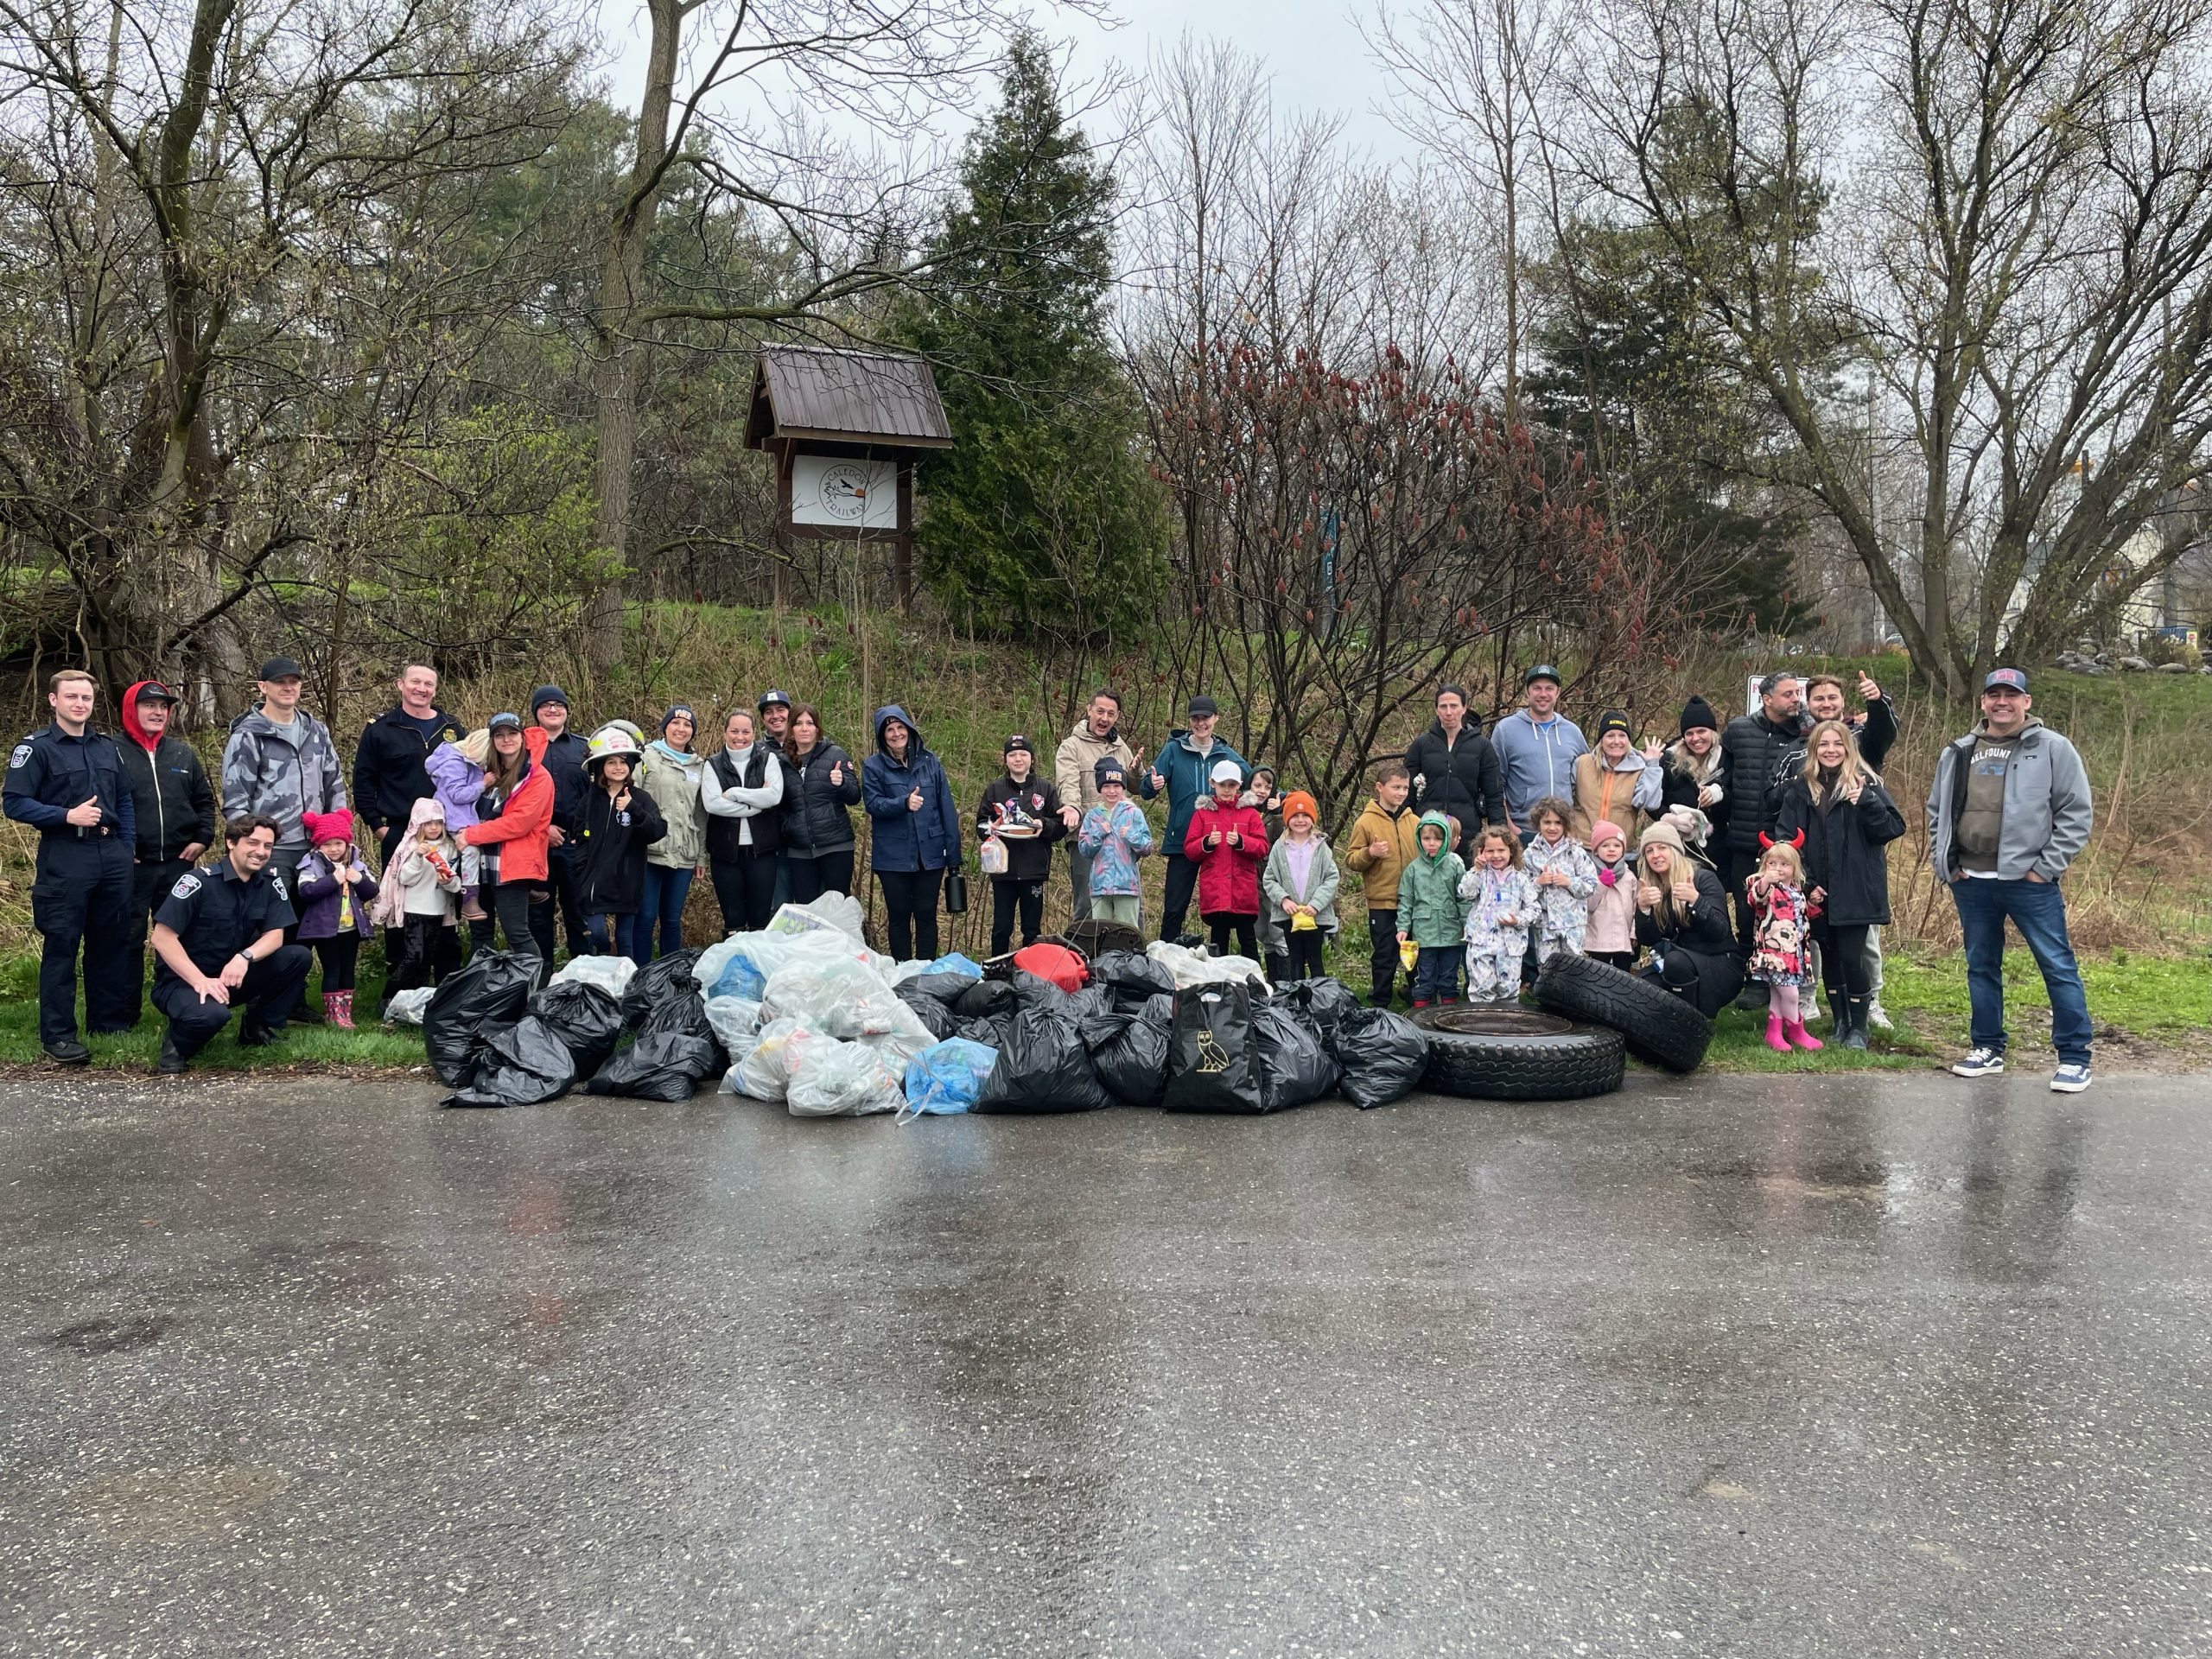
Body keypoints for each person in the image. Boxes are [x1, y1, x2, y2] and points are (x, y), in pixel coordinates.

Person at [1926, 668, 2094, 1092]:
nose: (2003, 702)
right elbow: (1936, 812)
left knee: (2056, 966)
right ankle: (1987, 1048)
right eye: (1994, 694)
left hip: (2029, 882)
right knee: (1981, 966)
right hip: (1971, 880)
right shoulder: (1959, 751)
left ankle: (2075, 1057)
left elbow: (2076, 814)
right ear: (1982, 702)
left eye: (2011, 695)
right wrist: (1947, 864)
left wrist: (2045, 868)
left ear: (2027, 702)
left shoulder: (2053, 748)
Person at [3, 670, 137, 1063]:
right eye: (72, 697)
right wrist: (65, 815)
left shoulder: (107, 747)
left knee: (110, 942)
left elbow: (125, 800)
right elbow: (13, 801)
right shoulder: (37, 748)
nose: (80, 704)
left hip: (112, 855)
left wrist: (126, 847)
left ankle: (108, 1023)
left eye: (87, 698)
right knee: (62, 945)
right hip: (66, 855)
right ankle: (59, 1036)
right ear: (53, 700)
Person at [148, 814, 314, 1074]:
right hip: (183, 982)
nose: (261, 852)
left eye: (267, 846)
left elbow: (275, 936)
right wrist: (199, 981)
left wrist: (244, 957)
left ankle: (255, 1028)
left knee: (297, 956)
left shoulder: (271, 883)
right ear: (231, 843)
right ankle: (176, 1044)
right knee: (213, 1016)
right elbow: (162, 937)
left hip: (231, 977)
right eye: (253, 843)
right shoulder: (199, 882)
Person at [1777, 720, 1907, 1050]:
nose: (1831, 750)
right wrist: (1808, 885)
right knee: (1831, 958)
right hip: (1818, 891)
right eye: (1823, 745)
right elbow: (1786, 841)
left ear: (1848, 749)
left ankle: (1859, 1028)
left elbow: (1891, 828)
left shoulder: (1868, 784)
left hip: (1855, 889)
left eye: (1837, 744)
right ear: (1814, 750)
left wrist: (1865, 801)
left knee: (1852, 957)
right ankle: (1840, 1022)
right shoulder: (1800, 789)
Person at [1797, 670, 1900, 1028]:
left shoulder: (1864, 749)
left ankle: (1870, 1004)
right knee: (1823, 947)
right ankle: (1823, 1007)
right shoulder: (1797, 755)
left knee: (1860, 947)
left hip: (1856, 874)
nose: (1826, 704)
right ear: (1807, 704)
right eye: (1818, 699)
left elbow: (1884, 733)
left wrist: (1877, 701)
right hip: (1818, 876)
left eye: (1832, 698)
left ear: (1843, 702)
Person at [116, 679, 215, 1028]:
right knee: (125, 938)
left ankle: (177, 1008)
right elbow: (104, 804)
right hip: (132, 866)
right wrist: (119, 846)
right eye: (149, 706)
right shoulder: (111, 751)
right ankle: (121, 1017)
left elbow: (204, 802)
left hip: (178, 864)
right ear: (132, 709)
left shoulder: (182, 754)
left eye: (163, 707)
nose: (158, 712)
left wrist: (203, 838)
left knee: (176, 938)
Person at [1717, 671, 1808, 1007]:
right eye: (1787, 694)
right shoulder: (1739, 731)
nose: (1795, 699)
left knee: (1783, 914)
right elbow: (1723, 777)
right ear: (1766, 699)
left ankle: (1786, 981)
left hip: (1784, 843)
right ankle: (1752, 980)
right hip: (1743, 839)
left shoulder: (1805, 733)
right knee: (1747, 911)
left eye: (1797, 693)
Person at [220, 657, 348, 893]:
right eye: (280, 682)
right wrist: (249, 846)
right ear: (263, 687)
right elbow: (236, 799)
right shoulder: (249, 735)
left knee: (315, 926)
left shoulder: (317, 731)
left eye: (294, 681)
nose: (288, 687)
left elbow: (334, 785)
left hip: (317, 848)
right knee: (272, 923)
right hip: (272, 850)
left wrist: (338, 833)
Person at [1141, 696, 1247, 941]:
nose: (1201, 723)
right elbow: (1146, 790)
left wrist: (1280, 798)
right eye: (1195, 718)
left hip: (1220, 842)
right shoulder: (1173, 750)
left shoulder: (1226, 754)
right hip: (1183, 842)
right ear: (1189, 720)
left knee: (1222, 910)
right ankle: (1166, 965)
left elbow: (1257, 781)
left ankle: (1219, 965)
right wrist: (1151, 782)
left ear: (1216, 719)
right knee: (1174, 910)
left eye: (1206, 718)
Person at [862, 704, 961, 961]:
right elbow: (872, 804)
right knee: (899, 914)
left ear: (909, 729)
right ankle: (902, 970)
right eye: (890, 730)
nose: (896, 734)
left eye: (900, 727)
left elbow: (946, 809)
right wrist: (902, 803)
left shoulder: (931, 762)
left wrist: (954, 857)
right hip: (892, 856)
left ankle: (926, 970)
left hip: (930, 853)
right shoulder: (873, 766)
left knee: (927, 913)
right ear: (882, 736)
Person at [459, 712, 554, 976]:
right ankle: (483, 992)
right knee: (480, 933)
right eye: (499, 735)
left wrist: (471, 835)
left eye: (512, 734)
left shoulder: (538, 777)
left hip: (512, 866)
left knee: (517, 933)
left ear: (522, 738)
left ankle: (535, 990)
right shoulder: (486, 773)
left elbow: (519, 823)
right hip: (481, 864)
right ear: (492, 740)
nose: (506, 740)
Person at [352, 663, 464, 868]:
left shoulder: (452, 728)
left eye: (428, 684)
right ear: (400, 684)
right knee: (397, 898)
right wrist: (378, 827)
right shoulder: (381, 729)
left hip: (448, 831)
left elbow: (468, 775)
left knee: (449, 895)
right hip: (400, 831)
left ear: (435, 691)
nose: (421, 688)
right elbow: (363, 780)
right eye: (415, 682)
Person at [1632, 819, 1745, 1017]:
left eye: (1662, 848)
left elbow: (1720, 932)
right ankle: (1662, 1023)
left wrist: (1696, 900)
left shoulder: (1703, 878)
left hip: (1721, 965)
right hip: (1679, 966)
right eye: (1649, 851)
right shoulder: (1651, 887)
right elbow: (1649, 941)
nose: (1655, 855)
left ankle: (1690, 1025)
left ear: (1675, 850)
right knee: (1638, 986)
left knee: (1675, 961)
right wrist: (1643, 909)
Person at [571, 726, 666, 960]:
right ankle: (604, 960)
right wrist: (581, 871)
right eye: (611, 762)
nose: (618, 767)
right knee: (597, 933)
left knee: (626, 940)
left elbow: (657, 830)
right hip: (595, 882)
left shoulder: (641, 799)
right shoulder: (589, 801)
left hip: (627, 880)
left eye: (623, 762)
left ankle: (626, 987)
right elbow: (579, 837)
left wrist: (634, 810)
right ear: (600, 766)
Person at [369, 798, 470, 1001]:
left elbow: (457, 885)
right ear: (418, 824)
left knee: (428, 959)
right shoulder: (409, 847)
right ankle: (388, 997)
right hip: (413, 911)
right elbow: (403, 878)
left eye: (438, 822)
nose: (434, 828)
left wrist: (446, 880)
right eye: (428, 823)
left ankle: (418, 999)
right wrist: (417, 858)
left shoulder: (450, 847)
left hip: (439, 911)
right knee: (413, 957)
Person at [976, 735, 1069, 957]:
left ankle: (1030, 973)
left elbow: (1060, 826)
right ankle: (996, 970)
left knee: (1032, 929)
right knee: (1001, 927)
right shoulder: (995, 790)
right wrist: (992, 827)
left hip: (1033, 870)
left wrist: (1042, 825)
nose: (1018, 759)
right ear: (1005, 760)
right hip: (1002, 871)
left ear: (1032, 759)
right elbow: (980, 826)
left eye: (1023, 754)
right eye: (1012, 755)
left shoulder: (1045, 789)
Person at [1053, 690, 1137, 921]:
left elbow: (1135, 786)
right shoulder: (1071, 747)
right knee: (1087, 903)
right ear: (1089, 710)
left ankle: (1127, 956)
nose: (1105, 718)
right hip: (1086, 837)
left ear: (1117, 716)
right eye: (1100, 711)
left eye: (1111, 713)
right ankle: (1086, 956)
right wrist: (1072, 807)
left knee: (1127, 904)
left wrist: (1138, 773)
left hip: (1121, 840)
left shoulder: (1121, 748)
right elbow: (1067, 782)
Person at [702, 709, 787, 934]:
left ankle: (757, 965)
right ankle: (733, 966)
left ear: (754, 733)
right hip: (725, 853)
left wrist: (733, 793)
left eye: (746, 731)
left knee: (760, 918)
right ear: (725, 733)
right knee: (734, 920)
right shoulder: (713, 764)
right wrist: (756, 803)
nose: (740, 737)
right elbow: (712, 804)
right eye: (734, 731)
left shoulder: (768, 758)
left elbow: (774, 796)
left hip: (762, 851)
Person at [1344, 763, 1422, 1007]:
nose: (1401, 793)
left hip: (1413, 903)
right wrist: (1370, 852)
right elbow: (1351, 860)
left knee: (1414, 954)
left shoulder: (1415, 821)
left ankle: (1418, 998)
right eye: (1395, 787)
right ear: (1380, 787)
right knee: (1384, 956)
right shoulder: (1365, 823)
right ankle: (1380, 1004)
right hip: (1382, 903)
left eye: (1405, 788)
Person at [294, 810, 378, 1029]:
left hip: (351, 927)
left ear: (346, 843)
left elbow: (372, 891)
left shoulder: (356, 863)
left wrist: (357, 879)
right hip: (325, 929)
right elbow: (306, 891)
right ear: (318, 845)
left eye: (338, 843)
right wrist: (333, 880)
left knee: (348, 968)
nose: (334, 849)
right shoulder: (311, 864)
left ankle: (345, 1013)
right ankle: (333, 1014)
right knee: (332, 968)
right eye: (327, 844)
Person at [524, 685, 592, 961]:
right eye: (546, 705)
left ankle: (582, 978)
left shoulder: (585, 747)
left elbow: (597, 795)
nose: (553, 709)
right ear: (536, 712)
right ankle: (541, 979)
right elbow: (511, 797)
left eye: (559, 705)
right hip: (532, 845)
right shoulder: (522, 747)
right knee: (537, 917)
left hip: (574, 846)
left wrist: (585, 834)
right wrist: (542, 828)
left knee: (578, 914)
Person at [636, 706, 708, 960]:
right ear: (665, 727)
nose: (681, 729)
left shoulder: (699, 767)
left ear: (693, 732)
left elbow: (700, 814)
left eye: (687, 725)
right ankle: (641, 975)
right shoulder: (645, 757)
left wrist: (701, 856)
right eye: (675, 723)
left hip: (684, 853)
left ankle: (668, 976)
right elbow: (631, 799)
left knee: (672, 919)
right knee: (645, 917)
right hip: (649, 851)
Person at [1405, 683, 1505, 855]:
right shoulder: (1422, 745)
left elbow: (1494, 795)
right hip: (1427, 831)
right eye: (1443, 706)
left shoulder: (1482, 746)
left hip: (1466, 832)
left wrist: (1499, 834)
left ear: (1464, 708)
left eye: (1454, 706)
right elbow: (1406, 792)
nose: (1448, 712)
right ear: (1436, 710)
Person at [1490, 665, 1588, 837]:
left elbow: (1587, 780)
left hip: (1563, 832)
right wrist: (1510, 828)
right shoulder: (1506, 730)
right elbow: (1495, 785)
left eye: (1549, 688)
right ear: (1527, 692)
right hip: (1523, 830)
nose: (1543, 694)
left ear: (1558, 693)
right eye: (1537, 688)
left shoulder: (1572, 732)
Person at [1185, 759, 1268, 959]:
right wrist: (1206, 843)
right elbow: (1189, 849)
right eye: (1222, 784)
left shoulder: (1250, 814)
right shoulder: (1202, 814)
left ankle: (1254, 985)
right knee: (1217, 944)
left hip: (1243, 891)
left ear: (1239, 786)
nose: (1226, 789)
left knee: (1248, 942)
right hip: (1216, 892)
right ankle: (1219, 986)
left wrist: (1242, 842)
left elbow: (1263, 846)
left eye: (1231, 785)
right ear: (1212, 783)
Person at [1744, 838, 1820, 1052]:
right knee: (1791, 994)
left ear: (1795, 867)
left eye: (1784, 864)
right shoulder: (1766, 888)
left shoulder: (1795, 889)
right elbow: (1755, 899)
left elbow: (1798, 917)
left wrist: (1812, 904)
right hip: (1775, 955)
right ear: (1765, 865)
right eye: (1772, 864)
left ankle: (1774, 1032)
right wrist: (1766, 880)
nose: (1778, 869)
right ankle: (1797, 1031)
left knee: (1778, 996)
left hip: (1794, 955)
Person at [781, 704, 861, 903]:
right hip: (799, 850)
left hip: (836, 846)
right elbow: (778, 805)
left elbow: (855, 797)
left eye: (810, 723)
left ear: (817, 728)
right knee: (806, 911)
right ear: (791, 729)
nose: (804, 728)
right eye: (799, 723)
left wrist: (841, 783)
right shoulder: (781, 762)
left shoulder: (835, 755)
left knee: (836, 909)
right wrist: (788, 827)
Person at [1260, 791, 1339, 982]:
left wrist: (1317, 904)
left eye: (1305, 815)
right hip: (1290, 915)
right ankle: (1298, 1001)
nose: (1300, 820)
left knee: (1315, 959)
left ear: (1312, 818)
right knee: (1295, 959)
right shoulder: (1279, 848)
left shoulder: (1320, 846)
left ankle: (1320, 999)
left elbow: (1332, 877)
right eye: (1295, 815)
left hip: (1315, 915)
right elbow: (1269, 879)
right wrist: (1283, 900)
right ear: (1287, 819)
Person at [1395, 810, 1469, 1008]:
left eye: (1437, 839)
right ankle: (1421, 1018)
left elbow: (1463, 898)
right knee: (1424, 977)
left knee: (1449, 977)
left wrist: (1466, 924)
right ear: (1419, 839)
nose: (1432, 843)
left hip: (1450, 933)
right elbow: (1406, 901)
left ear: (1446, 839)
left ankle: (1447, 1015)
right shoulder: (1413, 869)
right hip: (1424, 934)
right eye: (1426, 838)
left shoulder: (1454, 866)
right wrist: (1402, 927)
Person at [425, 729, 493, 939]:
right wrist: (483, 784)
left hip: (465, 815)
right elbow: (457, 794)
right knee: (471, 850)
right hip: (456, 817)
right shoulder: (454, 763)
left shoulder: (460, 759)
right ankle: (469, 898)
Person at [1459, 826, 1539, 1004]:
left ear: (1511, 851)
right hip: (1481, 943)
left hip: (1511, 945)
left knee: (1508, 989)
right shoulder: (1480, 875)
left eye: (1501, 850)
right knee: (1482, 986)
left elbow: (1534, 908)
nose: (1496, 856)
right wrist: (1476, 870)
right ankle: (1480, 1023)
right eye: (1490, 851)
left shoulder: (1520, 879)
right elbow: (1465, 892)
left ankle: (1507, 1026)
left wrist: (1518, 920)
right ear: (1482, 852)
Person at [1522, 796, 1599, 967]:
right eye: (1547, 822)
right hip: (1545, 925)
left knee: (1574, 966)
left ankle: (1573, 995)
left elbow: (1592, 884)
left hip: (1573, 924)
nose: (1552, 827)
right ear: (1538, 823)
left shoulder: (1576, 852)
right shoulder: (1530, 854)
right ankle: (1547, 995)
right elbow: (1521, 891)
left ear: (1565, 824)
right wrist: (1538, 882)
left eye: (1558, 823)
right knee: (1547, 967)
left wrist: (1569, 882)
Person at [1076, 760, 1153, 930]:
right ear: (1100, 789)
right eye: (1106, 786)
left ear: (1123, 788)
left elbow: (1147, 847)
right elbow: (1084, 850)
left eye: (1116, 786)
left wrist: (1131, 836)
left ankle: (1131, 957)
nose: (1112, 791)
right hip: (1099, 887)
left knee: (1129, 933)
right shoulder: (1092, 816)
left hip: (1127, 886)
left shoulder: (1134, 813)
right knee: (1102, 934)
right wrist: (1098, 833)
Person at [1572, 711, 1664, 846]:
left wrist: (1653, 766)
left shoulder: (1638, 769)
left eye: (1622, 735)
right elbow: (1563, 801)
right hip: (1583, 849)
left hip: (1621, 852)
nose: (1617, 741)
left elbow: (1650, 803)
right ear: (1601, 740)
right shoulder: (1581, 764)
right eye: (1610, 736)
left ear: (1628, 741)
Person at [1660, 696, 1730, 853]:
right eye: (1689, 733)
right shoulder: (1668, 760)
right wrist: (1672, 819)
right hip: (1677, 847)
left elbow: (1737, 804)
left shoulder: (1726, 759)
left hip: (1718, 850)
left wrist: (1720, 795)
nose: (1696, 738)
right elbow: (1654, 803)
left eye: (1701, 731)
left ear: (1712, 732)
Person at [1242, 764, 1289, 977]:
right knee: (1263, 933)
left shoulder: (1278, 813)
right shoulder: (1243, 812)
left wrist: (1278, 812)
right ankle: (1272, 981)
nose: (1261, 790)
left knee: (1279, 933)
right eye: (1257, 785)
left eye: (1267, 786)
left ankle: (1286, 983)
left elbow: (1284, 841)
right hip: (1251, 883)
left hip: (1273, 883)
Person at [756, 690, 796, 911]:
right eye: (769, 712)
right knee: (777, 909)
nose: (775, 716)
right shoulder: (756, 752)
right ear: (763, 719)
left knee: (812, 908)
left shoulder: (810, 744)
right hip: (773, 843)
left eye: (780, 710)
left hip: (806, 842)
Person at [1584, 820, 1638, 971]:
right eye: (1605, 845)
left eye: (1616, 845)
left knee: (1622, 978)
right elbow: (1588, 906)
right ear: (1595, 850)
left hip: (1623, 940)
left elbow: (1636, 906)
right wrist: (1601, 885)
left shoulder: (1629, 876)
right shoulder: (1590, 875)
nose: (1611, 849)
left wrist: (1634, 932)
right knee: (1599, 978)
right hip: (1599, 940)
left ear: (1623, 850)